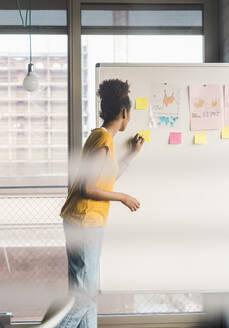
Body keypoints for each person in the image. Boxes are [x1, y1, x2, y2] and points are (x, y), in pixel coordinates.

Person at [56, 79, 143, 328]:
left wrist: (131, 155)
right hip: (85, 223)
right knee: (84, 299)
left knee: (86, 297)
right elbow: (88, 188)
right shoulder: (102, 141)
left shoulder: (101, 139)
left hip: (81, 222)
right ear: (124, 112)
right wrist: (124, 197)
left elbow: (106, 180)